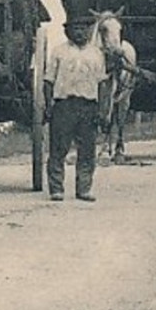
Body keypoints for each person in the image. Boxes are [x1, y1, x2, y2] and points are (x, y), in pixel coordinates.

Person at [44, 12, 111, 201]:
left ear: (89, 32)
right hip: (64, 105)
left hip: (88, 106)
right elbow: (48, 81)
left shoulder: (96, 54)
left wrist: (104, 110)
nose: (80, 33)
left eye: (83, 29)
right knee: (58, 149)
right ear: (67, 32)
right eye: (75, 29)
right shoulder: (59, 52)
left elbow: (102, 84)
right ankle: (56, 189)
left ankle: (84, 189)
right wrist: (49, 105)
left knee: (87, 150)